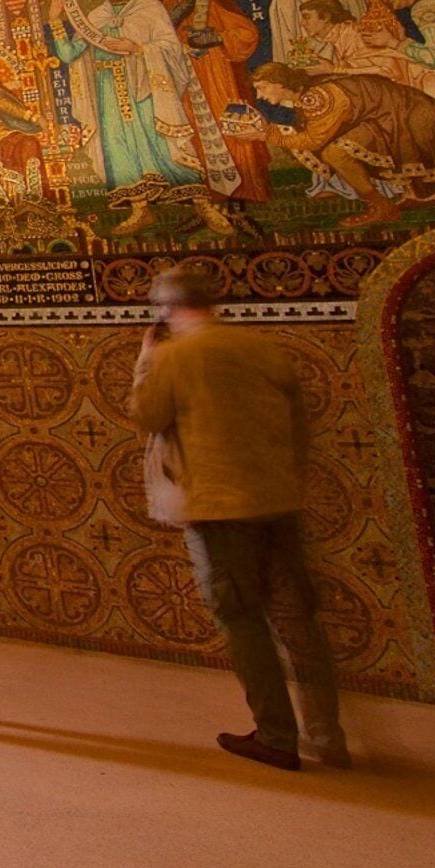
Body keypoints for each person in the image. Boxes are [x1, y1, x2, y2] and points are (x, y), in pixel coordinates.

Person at [128, 264, 350, 770]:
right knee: (300, 620)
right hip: (279, 498)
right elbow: (299, 427)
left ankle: (275, 735)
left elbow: (146, 415)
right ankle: (327, 735)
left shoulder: (175, 356)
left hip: (218, 504)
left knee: (243, 618)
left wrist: (146, 361)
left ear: (167, 308)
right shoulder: (261, 348)